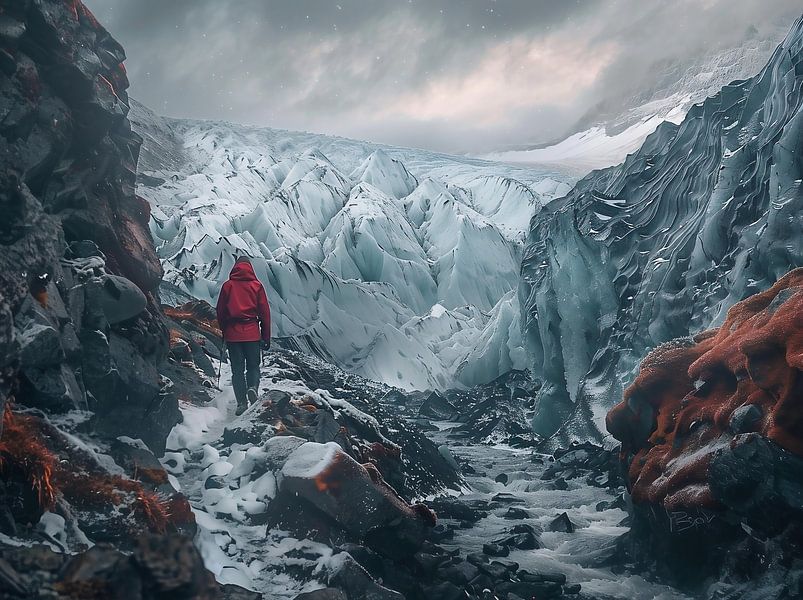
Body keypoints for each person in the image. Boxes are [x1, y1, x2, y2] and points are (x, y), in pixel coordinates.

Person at [215, 256, 271, 415]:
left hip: (233, 335)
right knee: (253, 366)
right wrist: (266, 336)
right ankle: (252, 388)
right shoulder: (257, 286)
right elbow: (265, 314)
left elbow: (220, 311)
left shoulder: (228, 286)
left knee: (237, 370)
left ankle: (241, 403)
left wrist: (224, 330)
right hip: (252, 333)